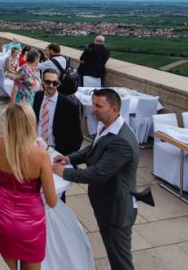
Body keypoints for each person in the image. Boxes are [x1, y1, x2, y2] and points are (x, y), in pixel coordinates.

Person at [52, 89, 140, 270]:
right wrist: (69, 159)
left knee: (120, 260)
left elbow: (98, 173)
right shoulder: (106, 125)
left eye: (98, 105)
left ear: (115, 109)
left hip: (117, 209)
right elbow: (92, 149)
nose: (93, 109)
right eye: (93, 104)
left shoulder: (122, 141)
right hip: (105, 203)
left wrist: (64, 172)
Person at [0, 103, 57, 270]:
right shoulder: (41, 155)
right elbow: (52, 202)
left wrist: (0, 180)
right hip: (31, 223)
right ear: (31, 123)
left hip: (2, 217)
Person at [32, 69, 83, 156]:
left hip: (55, 151)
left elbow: (77, 138)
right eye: (48, 82)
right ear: (42, 81)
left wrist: (63, 156)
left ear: (58, 83)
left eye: (54, 83)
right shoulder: (38, 96)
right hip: (36, 145)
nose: (51, 85)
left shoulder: (70, 106)